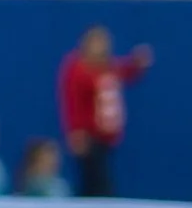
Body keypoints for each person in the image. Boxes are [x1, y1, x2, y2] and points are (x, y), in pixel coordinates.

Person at [58, 25, 151, 198]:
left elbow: (125, 72)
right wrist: (76, 130)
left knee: (98, 178)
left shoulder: (108, 67)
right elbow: (73, 101)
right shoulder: (78, 69)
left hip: (105, 136)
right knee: (96, 180)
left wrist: (137, 64)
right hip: (88, 135)